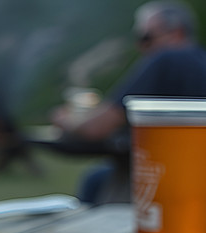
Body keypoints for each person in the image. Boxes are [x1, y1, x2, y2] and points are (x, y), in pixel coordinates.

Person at [52, 1, 206, 204]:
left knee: (95, 180)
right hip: (193, 174)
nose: (140, 46)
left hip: (176, 180)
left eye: (146, 37)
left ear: (175, 33)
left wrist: (66, 120)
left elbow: (96, 128)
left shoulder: (167, 58)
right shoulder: (199, 60)